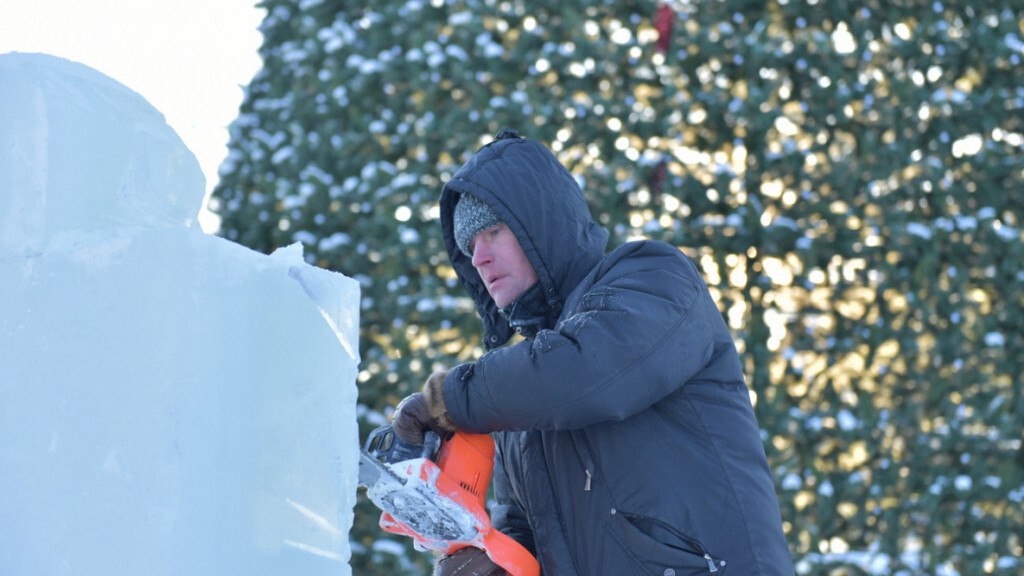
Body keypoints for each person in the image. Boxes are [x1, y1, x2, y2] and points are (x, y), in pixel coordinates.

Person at [392, 129, 794, 575]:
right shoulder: (518, 403)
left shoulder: (654, 280)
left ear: (539, 224)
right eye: (469, 247)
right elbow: (528, 534)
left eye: (493, 231)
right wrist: (493, 563)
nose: (480, 257)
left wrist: (449, 399)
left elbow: (586, 372)